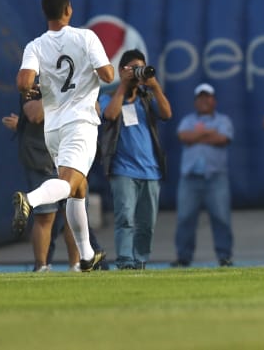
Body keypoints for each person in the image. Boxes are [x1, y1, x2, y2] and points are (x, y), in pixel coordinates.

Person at [12, 0, 114, 272]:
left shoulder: (35, 45)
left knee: (77, 190)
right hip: (80, 121)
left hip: (53, 128)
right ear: (68, 9)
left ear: (46, 13)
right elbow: (107, 74)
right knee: (69, 183)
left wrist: (37, 85)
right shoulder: (85, 37)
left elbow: (23, 82)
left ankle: (85, 256)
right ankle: (29, 200)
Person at [98, 49, 172, 270]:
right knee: (125, 218)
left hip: (150, 170)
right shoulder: (108, 96)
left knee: (147, 224)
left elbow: (167, 114)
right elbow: (109, 115)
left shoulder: (147, 97)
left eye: (140, 68)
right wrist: (122, 85)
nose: (138, 73)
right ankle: (125, 260)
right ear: (122, 70)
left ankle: (140, 260)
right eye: (133, 69)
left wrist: (155, 86)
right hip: (123, 169)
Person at [2, 94, 79, 272]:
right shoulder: (33, 78)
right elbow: (36, 114)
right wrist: (61, 93)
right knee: (45, 216)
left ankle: (77, 264)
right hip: (41, 157)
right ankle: (41, 266)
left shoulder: (77, 74)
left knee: (73, 213)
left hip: (72, 154)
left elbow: (95, 109)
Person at [173, 83, 235, 267]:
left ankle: (224, 256)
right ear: (195, 101)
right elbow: (184, 137)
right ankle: (184, 257)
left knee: (221, 218)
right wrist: (208, 133)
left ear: (213, 100)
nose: (204, 101)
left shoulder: (223, 120)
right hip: (190, 178)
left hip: (215, 178)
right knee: (185, 218)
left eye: (207, 97)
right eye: (200, 97)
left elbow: (222, 139)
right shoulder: (187, 120)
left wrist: (198, 135)